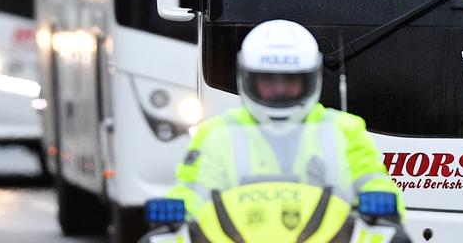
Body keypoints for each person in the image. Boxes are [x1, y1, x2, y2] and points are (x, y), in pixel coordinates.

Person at [167, 20, 406, 218]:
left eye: (290, 80)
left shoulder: (344, 131)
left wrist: (381, 205)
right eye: (269, 81)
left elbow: (375, 184)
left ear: (309, 78)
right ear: (248, 78)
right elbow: (191, 191)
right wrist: (177, 214)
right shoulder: (217, 134)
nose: (279, 90)